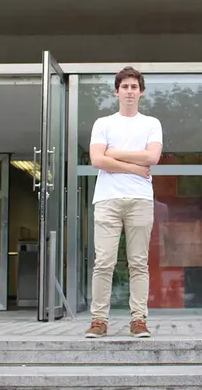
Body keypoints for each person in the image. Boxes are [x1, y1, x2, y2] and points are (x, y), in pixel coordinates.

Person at [85, 66, 163, 338]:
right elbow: (97, 160)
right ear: (116, 91)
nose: (129, 91)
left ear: (141, 92)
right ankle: (98, 320)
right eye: (124, 87)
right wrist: (133, 167)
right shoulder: (103, 123)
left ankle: (139, 319)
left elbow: (152, 158)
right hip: (108, 200)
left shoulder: (151, 123)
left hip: (140, 200)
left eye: (134, 87)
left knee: (138, 263)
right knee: (104, 262)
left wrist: (115, 154)